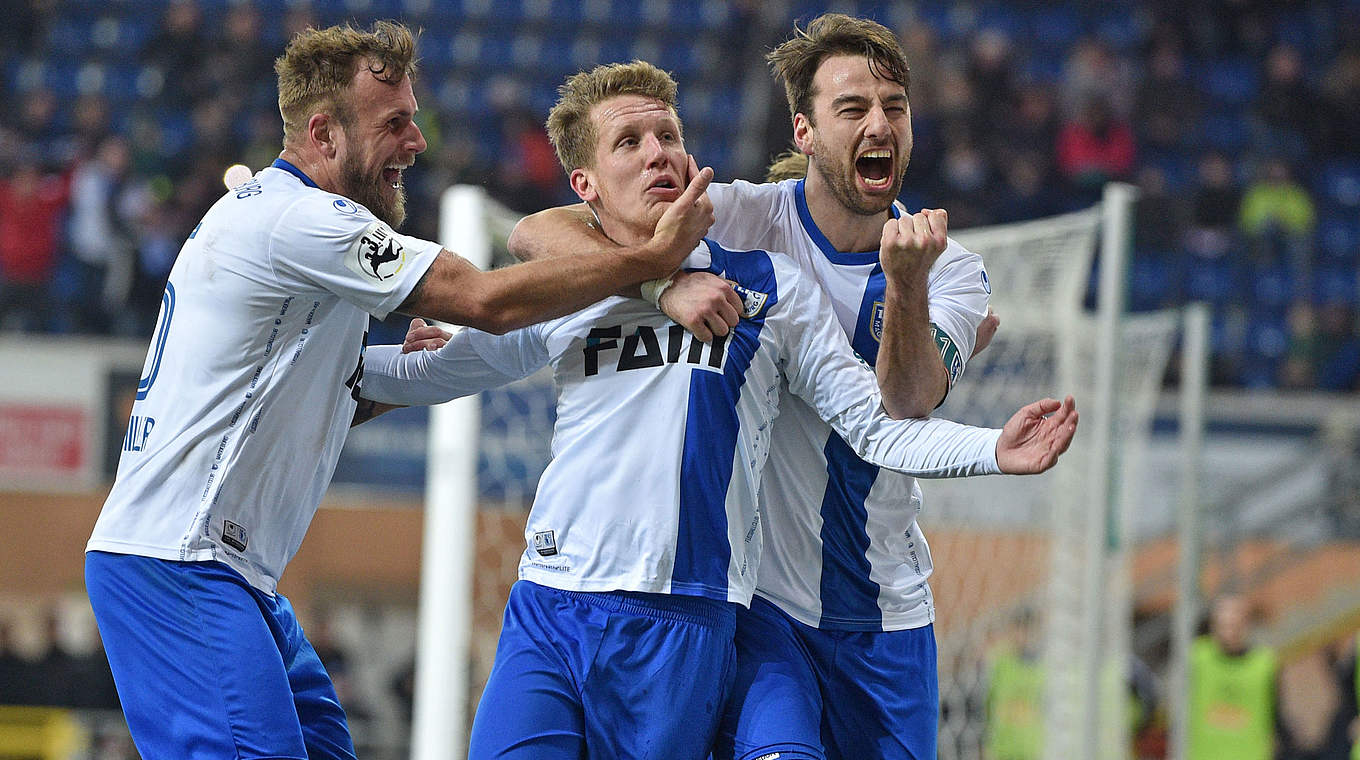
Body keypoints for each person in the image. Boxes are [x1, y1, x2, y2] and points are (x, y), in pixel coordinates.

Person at [367, 60, 1077, 760]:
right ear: (585, 186)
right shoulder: (571, 288)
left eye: (668, 136)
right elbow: (438, 370)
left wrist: (991, 449)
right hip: (551, 604)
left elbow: (873, 423)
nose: (657, 155)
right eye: (629, 143)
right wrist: (304, 375)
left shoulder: (769, 287)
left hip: (692, 621)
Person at [82, 21, 714, 760]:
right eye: (395, 124)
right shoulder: (305, 221)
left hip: (236, 578)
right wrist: (655, 264)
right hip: (178, 567)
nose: (417, 142)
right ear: (324, 134)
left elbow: (332, 396)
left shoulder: (277, 229)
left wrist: (418, 372)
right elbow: (481, 297)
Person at [505, 14, 998, 759]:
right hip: (761, 611)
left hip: (886, 614)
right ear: (804, 132)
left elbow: (906, 405)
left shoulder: (950, 269)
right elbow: (540, 231)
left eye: (894, 107)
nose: (879, 124)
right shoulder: (741, 217)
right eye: (853, 108)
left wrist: (905, 288)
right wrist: (667, 282)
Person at [1187, 594, 1279, 760]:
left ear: (1246, 625)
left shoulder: (1263, 663)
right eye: (1223, 625)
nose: (1228, 632)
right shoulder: (1198, 657)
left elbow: (1276, 714)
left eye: (1234, 625)